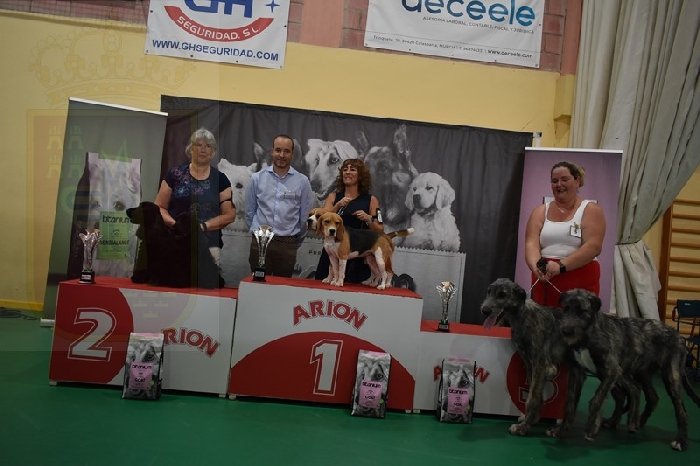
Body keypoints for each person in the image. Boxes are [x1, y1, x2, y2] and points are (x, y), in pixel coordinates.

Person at [524, 161, 606, 307]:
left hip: (580, 280)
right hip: (546, 280)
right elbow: (531, 244)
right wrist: (537, 268)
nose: (559, 184)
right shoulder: (539, 211)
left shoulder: (591, 210)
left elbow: (593, 247)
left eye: (565, 179)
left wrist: (561, 266)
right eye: (554, 181)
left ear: (577, 181)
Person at [154, 128, 235, 265]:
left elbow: (229, 215)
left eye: (208, 146)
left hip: (209, 246)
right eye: (198, 145)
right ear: (191, 149)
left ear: (213, 152)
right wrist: (176, 225)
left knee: (207, 279)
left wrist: (203, 226)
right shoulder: (174, 174)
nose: (203, 149)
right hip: (175, 242)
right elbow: (159, 207)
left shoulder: (221, 179)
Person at [245, 134, 314, 277]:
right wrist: (257, 235)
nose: (282, 155)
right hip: (260, 243)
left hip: (287, 245)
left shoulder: (303, 182)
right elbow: (250, 212)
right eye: (278, 150)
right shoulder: (256, 178)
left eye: (286, 151)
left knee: (281, 287)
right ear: (272, 152)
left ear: (292, 154)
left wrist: (293, 242)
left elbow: (304, 218)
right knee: (258, 285)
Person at [314, 158, 384, 284]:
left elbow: (380, 228)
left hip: (357, 257)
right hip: (331, 255)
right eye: (345, 169)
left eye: (352, 169)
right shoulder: (333, 197)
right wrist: (337, 206)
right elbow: (321, 220)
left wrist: (368, 219)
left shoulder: (372, 200)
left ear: (361, 175)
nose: (347, 172)